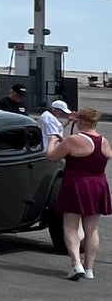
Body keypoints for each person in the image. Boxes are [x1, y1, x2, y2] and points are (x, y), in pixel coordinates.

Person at [46, 108, 112, 281]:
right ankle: (89, 268)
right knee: (92, 228)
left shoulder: (73, 139)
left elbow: (52, 156)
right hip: (98, 184)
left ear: (79, 122)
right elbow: (107, 156)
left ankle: (76, 264)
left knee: (70, 226)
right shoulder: (103, 141)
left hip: (76, 184)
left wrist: (53, 140)